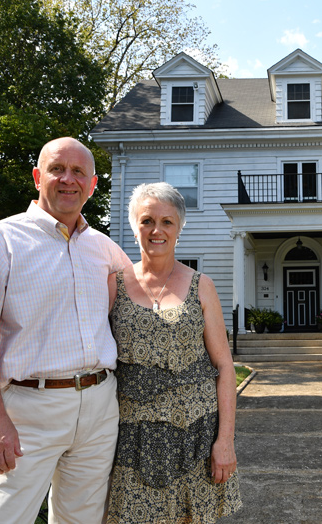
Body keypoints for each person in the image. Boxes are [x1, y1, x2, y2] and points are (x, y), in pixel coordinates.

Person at [0, 137, 132, 523]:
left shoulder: (106, 249)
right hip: (29, 409)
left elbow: (123, 313)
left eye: (79, 172)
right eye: (57, 169)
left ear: (93, 184)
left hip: (99, 406)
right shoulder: (1, 239)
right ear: (37, 177)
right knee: (1, 518)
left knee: (83, 519)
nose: (68, 179)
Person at [106, 182, 242, 523]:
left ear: (179, 228)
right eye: (147, 220)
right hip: (132, 434)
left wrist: (224, 441)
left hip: (195, 430)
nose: (157, 230)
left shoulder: (202, 286)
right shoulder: (113, 285)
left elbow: (224, 366)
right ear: (134, 226)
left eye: (167, 222)